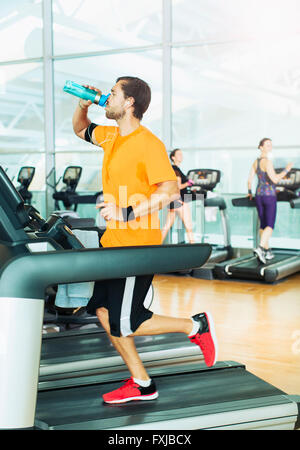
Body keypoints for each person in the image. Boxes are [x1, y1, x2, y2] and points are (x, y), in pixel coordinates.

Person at [72, 76, 218, 404]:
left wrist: (125, 211)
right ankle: (142, 383)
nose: (105, 98)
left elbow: (167, 192)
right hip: (113, 243)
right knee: (105, 314)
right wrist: (82, 105)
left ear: (129, 103)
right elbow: (81, 130)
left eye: (112, 94)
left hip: (137, 245)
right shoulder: (110, 136)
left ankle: (194, 326)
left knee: (126, 320)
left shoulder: (148, 144)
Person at [247, 137, 293, 264]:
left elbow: (249, 180)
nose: (270, 147)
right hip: (269, 196)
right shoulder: (267, 162)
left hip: (258, 195)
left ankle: (267, 251)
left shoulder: (255, 162)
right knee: (270, 225)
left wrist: (249, 193)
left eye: (270, 145)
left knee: (263, 224)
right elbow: (275, 179)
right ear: (261, 147)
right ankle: (261, 248)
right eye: (267, 145)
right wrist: (286, 170)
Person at [161, 148, 195, 244]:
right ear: (173, 157)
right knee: (189, 226)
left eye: (181, 154)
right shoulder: (175, 169)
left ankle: (153, 245)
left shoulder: (175, 169)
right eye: (178, 154)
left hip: (174, 201)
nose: (181, 156)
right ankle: (194, 248)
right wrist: (188, 183)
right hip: (180, 201)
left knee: (167, 226)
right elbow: (178, 186)